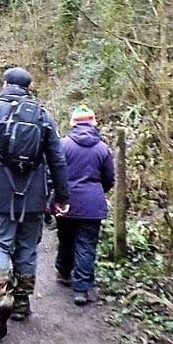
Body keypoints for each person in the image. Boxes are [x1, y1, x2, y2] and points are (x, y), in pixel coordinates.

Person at [0, 67, 70, 340]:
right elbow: (57, 159)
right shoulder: (43, 115)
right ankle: (21, 304)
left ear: (5, 84)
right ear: (28, 87)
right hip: (34, 198)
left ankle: (1, 292)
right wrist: (62, 197)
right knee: (27, 248)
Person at [55, 105, 115, 306]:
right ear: (93, 123)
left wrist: (55, 197)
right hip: (92, 204)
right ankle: (81, 289)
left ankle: (64, 272)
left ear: (73, 123)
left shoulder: (62, 145)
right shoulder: (102, 148)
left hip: (67, 201)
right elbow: (109, 178)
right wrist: (97, 191)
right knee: (87, 245)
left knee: (66, 239)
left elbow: (54, 173)